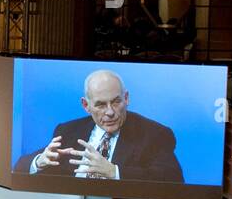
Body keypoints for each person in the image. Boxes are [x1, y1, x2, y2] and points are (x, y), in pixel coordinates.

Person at [14, 69, 183, 183]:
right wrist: (39, 162)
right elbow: (19, 167)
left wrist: (114, 172)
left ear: (126, 98)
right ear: (86, 106)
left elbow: (172, 178)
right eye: (101, 105)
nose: (110, 112)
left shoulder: (154, 134)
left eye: (116, 102)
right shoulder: (68, 131)